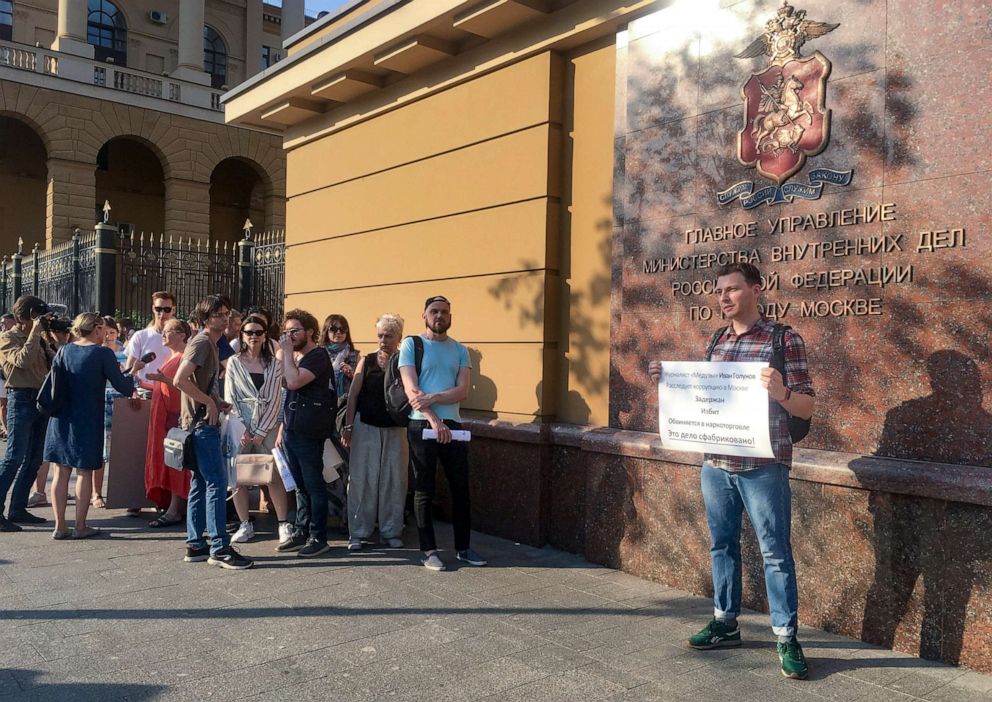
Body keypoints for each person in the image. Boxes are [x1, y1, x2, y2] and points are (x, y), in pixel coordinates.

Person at [648, 262, 815, 680]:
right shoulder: (717, 340)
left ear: (756, 290)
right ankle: (725, 622)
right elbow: (707, 397)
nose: (723, 298)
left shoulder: (783, 339)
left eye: (732, 290)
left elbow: (807, 406)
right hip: (717, 466)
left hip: (763, 466)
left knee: (775, 552)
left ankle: (786, 636)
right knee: (722, 546)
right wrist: (668, 383)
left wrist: (781, 392)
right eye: (719, 291)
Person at [399, 296, 485, 571]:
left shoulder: (460, 350)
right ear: (424, 316)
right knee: (424, 489)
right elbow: (412, 390)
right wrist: (434, 420)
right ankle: (428, 550)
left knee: (461, 489)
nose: (440, 316)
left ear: (450, 316)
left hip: (454, 426)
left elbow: (462, 390)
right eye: (434, 311)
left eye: (444, 312)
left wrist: (435, 397)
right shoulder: (412, 345)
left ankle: (463, 548)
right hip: (421, 425)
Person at [174, 295, 253, 570]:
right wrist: (209, 403)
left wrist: (215, 401)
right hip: (200, 426)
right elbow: (180, 379)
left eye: (227, 313)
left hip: (198, 423)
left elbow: (196, 382)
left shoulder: (211, 344)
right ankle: (219, 547)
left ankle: (196, 543)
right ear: (206, 318)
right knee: (217, 483)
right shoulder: (201, 342)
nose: (225, 318)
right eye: (219, 314)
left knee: (200, 483)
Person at [43, 314, 135, 539]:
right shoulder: (102, 353)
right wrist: (132, 370)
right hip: (87, 418)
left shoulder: (65, 350)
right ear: (95, 329)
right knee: (84, 472)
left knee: (60, 472)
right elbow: (123, 386)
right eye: (102, 328)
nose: (105, 333)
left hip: (61, 417)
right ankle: (81, 526)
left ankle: (60, 525)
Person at [341, 313, 408, 551]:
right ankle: (358, 532)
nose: (383, 340)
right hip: (365, 426)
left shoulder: (405, 361)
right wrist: (348, 426)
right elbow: (353, 395)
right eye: (380, 335)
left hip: (396, 428)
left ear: (399, 337)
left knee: (394, 480)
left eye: (388, 335)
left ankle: (391, 531)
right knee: (361, 479)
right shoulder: (366, 361)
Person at [226, 315, 291, 546]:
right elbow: (230, 396)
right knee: (238, 476)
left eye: (258, 332)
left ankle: (283, 523)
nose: (253, 336)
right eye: (249, 332)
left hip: (268, 425)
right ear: (242, 335)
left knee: (273, 476)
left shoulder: (274, 363)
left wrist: (262, 430)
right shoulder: (234, 362)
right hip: (240, 426)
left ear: (265, 336)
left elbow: (275, 398)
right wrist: (241, 427)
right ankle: (245, 523)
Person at [276, 309, 334, 558]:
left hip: (309, 430)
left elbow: (294, 382)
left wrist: (287, 353)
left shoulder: (317, 356)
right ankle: (301, 530)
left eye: (295, 331)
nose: (289, 336)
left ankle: (318, 536)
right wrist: (281, 427)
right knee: (299, 485)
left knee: (313, 484)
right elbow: (286, 393)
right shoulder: (296, 357)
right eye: (286, 332)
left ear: (310, 331)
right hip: (291, 428)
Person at [0, 295, 57, 531]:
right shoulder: (7, 337)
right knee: (14, 456)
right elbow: (22, 361)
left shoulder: (42, 338)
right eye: (36, 315)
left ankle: (18, 508)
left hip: (40, 398)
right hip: (20, 398)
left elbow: (55, 363)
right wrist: (35, 332)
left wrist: (53, 336)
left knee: (35, 458)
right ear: (23, 317)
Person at [143, 318, 193, 527]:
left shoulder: (185, 358)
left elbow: (184, 388)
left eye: (168, 331)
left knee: (177, 465)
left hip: (176, 419)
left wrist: (162, 381)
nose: (163, 334)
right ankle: (174, 507)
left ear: (181, 334)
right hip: (166, 419)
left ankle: (174, 510)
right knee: (172, 463)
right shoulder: (174, 356)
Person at [93, 315, 128, 510]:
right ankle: (96, 492)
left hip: (121, 402)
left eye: (112, 332)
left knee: (121, 450)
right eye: (105, 332)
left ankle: (121, 491)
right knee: (100, 449)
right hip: (101, 402)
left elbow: (131, 377)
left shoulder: (125, 352)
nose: (108, 336)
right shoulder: (96, 353)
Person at [124, 291, 176, 391]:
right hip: (145, 391)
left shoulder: (180, 337)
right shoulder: (140, 336)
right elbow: (129, 367)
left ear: (173, 310)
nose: (162, 313)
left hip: (171, 390)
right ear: (153, 309)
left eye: (167, 309)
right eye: (158, 309)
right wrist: (133, 392)